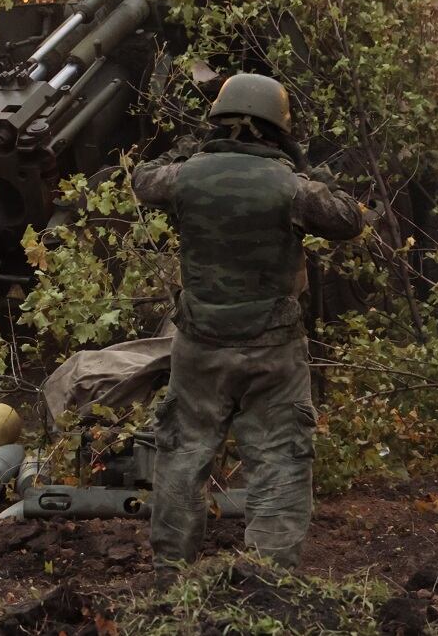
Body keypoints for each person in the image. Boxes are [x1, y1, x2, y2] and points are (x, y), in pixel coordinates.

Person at [131, 72, 364, 569]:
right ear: (276, 129)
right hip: (272, 351)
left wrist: (190, 149)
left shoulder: (183, 176)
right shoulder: (293, 188)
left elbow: (142, 177)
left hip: (197, 346)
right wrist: (308, 170)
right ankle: (268, 586)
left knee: (182, 456)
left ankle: (171, 580)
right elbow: (349, 220)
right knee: (279, 462)